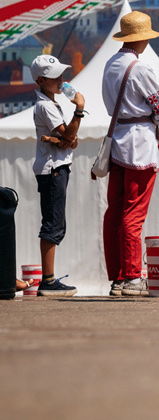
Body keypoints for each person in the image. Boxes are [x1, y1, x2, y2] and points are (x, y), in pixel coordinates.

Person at [101, 11, 159, 297]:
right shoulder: (140, 69)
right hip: (140, 143)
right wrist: (151, 119)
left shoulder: (110, 64)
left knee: (115, 212)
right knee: (134, 212)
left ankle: (119, 277)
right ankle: (132, 276)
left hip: (116, 139)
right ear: (143, 38)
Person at [31, 54, 85, 296]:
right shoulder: (45, 105)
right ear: (41, 80)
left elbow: (66, 140)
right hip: (53, 169)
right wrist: (79, 110)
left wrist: (66, 140)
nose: (61, 80)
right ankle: (48, 279)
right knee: (53, 224)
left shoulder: (51, 103)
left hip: (55, 167)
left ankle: (49, 278)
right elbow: (69, 136)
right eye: (55, 77)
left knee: (55, 222)